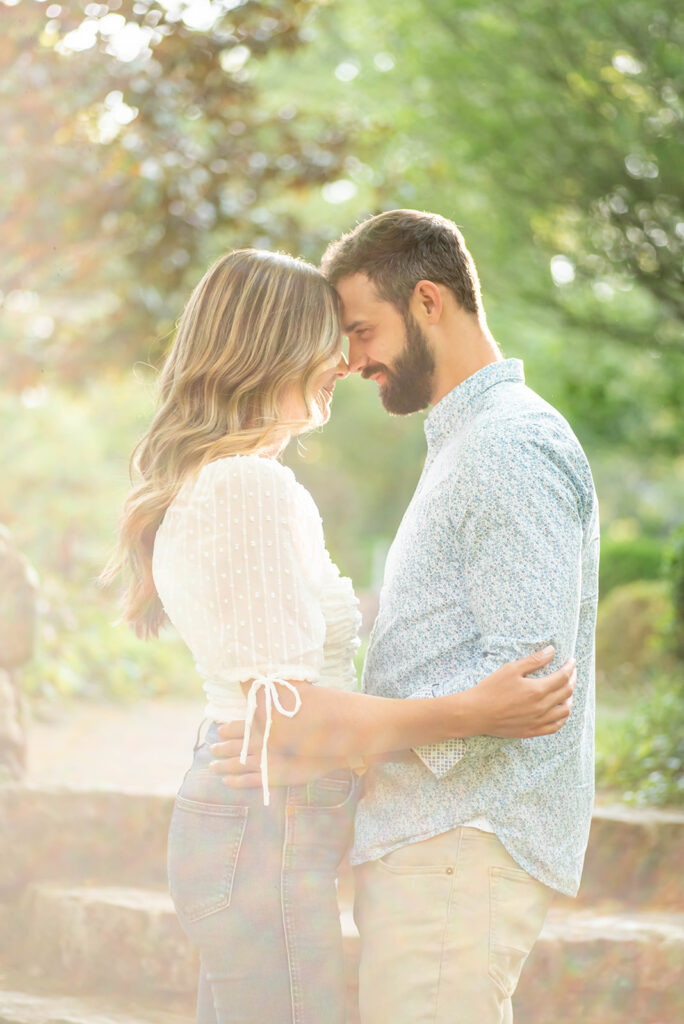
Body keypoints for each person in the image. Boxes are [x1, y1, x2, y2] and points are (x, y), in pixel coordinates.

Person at [103, 247, 577, 1024]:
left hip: (263, 822)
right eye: (334, 336)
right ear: (272, 344)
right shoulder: (245, 486)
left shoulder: (228, 479)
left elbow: (278, 715)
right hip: (265, 826)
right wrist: (473, 712)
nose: (348, 362)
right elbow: (288, 723)